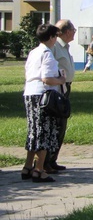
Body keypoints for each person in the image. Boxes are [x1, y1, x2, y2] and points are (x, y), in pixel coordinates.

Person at [21, 24, 68, 183]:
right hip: (43, 96)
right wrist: (61, 79)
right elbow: (47, 79)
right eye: (55, 36)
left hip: (29, 93)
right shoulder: (47, 54)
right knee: (44, 131)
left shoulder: (33, 52)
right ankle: (39, 169)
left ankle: (27, 166)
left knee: (33, 130)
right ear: (51, 37)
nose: (56, 39)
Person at [48, 19, 76, 173]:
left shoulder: (65, 47)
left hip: (66, 88)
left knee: (62, 124)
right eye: (73, 30)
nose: (75, 32)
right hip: (58, 88)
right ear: (67, 31)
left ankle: (53, 159)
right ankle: (48, 160)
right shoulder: (55, 47)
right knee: (57, 124)